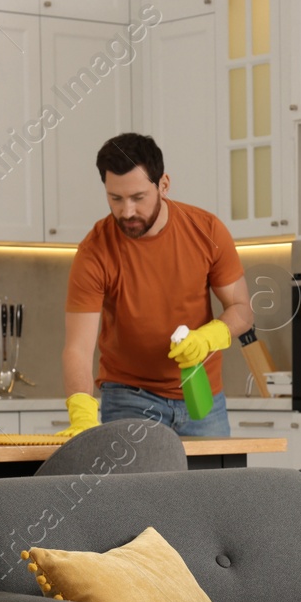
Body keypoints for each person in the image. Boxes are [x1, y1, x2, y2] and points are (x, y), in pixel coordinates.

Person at [59, 133, 255, 437]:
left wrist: (208, 338)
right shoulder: (95, 251)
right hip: (128, 399)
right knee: (136, 488)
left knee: (211, 486)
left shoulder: (207, 231)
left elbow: (241, 310)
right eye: (116, 198)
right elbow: (78, 349)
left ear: (163, 184)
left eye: (138, 198)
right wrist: (82, 415)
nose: (127, 212)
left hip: (201, 397)